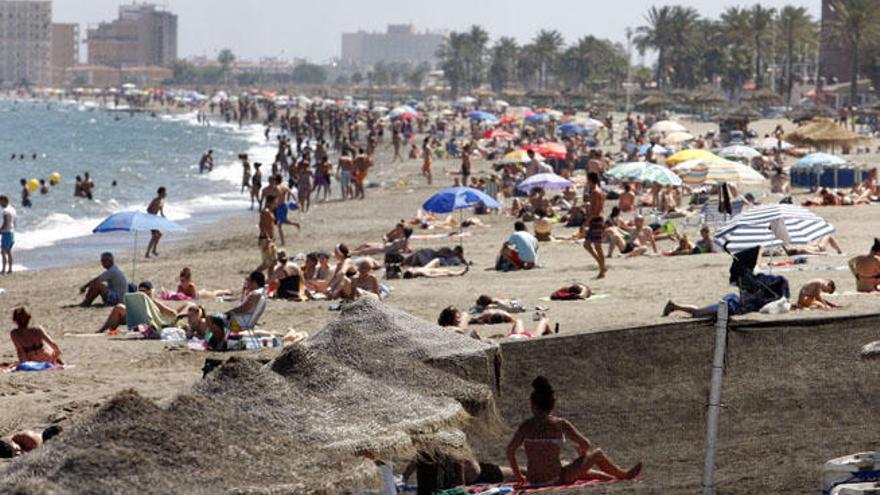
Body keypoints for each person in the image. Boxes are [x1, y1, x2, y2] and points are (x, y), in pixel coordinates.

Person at [506, 377, 642, 486]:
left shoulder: (526, 425)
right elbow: (586, 444)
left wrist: (519, 475)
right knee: (597, 454)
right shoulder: (559, 424)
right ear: (552, 405)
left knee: (565, 463)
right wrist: (582, 454)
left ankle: (610, 477)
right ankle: (623, 474)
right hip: (555, 479)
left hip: (533, 479)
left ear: (533, 405)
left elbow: (510, 451)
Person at [582, 172, 607, 278]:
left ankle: (602, 269)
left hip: (596, 220)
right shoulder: (598, 191)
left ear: (589, 180)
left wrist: (585, 223)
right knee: (587, 245)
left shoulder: (595, 192)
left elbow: (595, 211)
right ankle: (602, 266)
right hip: (597, 220)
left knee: (597, 246)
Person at [144, 187, 167, 258]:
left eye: (165, 192)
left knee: (158, 235)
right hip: (150, 219)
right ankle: (148, 253)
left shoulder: (162, 202)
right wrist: (152, 213)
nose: (166, 194)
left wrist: (163, 217)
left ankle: (152, 251)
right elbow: (147, 209)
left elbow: (161, 212)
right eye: (164, 192)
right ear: (160, 193)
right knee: (155, 235)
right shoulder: (155, 200)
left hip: (154, 220)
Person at [257, 197, 278, 273]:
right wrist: (268, 237)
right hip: (266, 238)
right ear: (270, 202)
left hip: (270, 239)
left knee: (273, 262)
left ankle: (270, 279)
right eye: (275, 202)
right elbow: (262, 225)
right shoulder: (265, 211)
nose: (276, 204)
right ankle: (253, 277)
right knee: (266, 263)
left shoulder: (270, 211)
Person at [0, 195, 15, 274]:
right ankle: (10, 269)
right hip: (12, 232)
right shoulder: (12, 209)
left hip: (6, 232)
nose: (0, 204)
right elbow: (13, 222)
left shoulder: (5, 211)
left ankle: (3, 270)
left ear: (4, 201)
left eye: (0, 202)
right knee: (9, 251)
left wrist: (1, 229)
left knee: (3, 252)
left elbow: (5, 222)